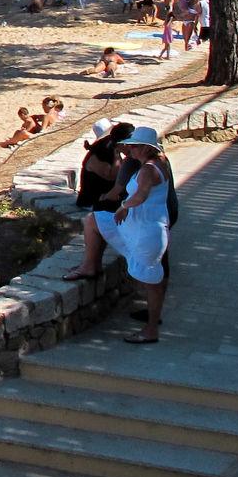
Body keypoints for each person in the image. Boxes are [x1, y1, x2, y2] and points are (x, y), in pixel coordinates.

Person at [63, 134, 170, 343]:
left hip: (146, 232)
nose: (129, 149)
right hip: (136, 227)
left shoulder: (148, 169)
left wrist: (123, 206)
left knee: (152, 282)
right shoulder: (156, 162)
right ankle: (89, 265)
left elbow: (141, 195)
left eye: (134, 146)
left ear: (146, 148)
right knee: (94, 220)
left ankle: (151, 330)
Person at [76, 121, 133, 210]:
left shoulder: (108, 145)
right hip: (94, 201)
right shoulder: (102, 151)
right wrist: (117, 155)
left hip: (108, 197)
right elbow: (112, 176)